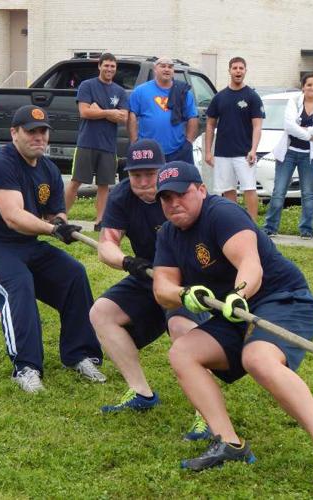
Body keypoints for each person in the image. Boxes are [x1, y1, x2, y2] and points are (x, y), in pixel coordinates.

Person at [151, 161, 313, 492]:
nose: (173, 203)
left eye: (181, 194)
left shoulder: (221, 214)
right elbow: (162, 287)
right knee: (183, 352)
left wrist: (239, 293)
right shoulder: (168, 234)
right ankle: (229, 443)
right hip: (234, 314)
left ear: (201, 191)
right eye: (165, 198)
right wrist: (184, 294)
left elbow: (249, 261)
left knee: (258, 358)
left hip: (282, 299)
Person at [0, 105, 104, 393]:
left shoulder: (48, 169)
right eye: (31, 132)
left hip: (25, 244)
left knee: (74, 274)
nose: (38, 137)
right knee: (19, 285)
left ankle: (80, 354)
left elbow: (55, 214)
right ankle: (25, 367)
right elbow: (13, 217)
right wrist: (53, 229)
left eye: (43, 132)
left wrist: (61, 223)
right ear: (14, 133)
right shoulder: (1, 164)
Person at [89, 139, 211, 438]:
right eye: (135, 175)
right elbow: (107, 244)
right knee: (101, 313)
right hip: (147, 273)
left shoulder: (179, 195)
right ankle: (141, 392)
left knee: (184, 332)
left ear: (163, 170)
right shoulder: (121, 196)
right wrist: (126, 262)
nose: (143, 182)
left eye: (150, 174)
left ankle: (207, 414)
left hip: (186, 280)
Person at [263, 73, 313, 238]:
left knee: (308, 193)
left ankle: (307, 229)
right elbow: (289, 126)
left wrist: (306, 129)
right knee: (279, 191)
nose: (312, 88)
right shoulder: (293, 102)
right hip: (288, 153)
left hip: (310, 156)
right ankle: (270, 227)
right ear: (303, 86)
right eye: (309, 85)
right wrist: (310, 135)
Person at [64, 52, 128, 231]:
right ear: (99, 66)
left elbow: (124, 117)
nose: (109, 69)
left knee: (104, 185)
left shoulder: (119, 91)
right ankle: (60, 216)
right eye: (106, 65)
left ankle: (100, 222)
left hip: (108, 146)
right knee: (76, 181)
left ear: (115, 69)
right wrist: (109, 113)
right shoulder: (87, 86)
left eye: (112, 66)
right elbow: (84, 112)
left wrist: (99, 110)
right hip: (87, 142)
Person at [203, 56, 264, 220]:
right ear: (229, 70)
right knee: (227, 190)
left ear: (245, 71)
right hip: (222, 153)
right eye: (235, 68)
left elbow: (258, 126)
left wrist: (253, 149)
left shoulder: (252, 96)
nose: (238, 71)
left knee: (249, 188)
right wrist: (208, 152)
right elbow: (210, 125)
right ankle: (234, 223)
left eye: (241, 68)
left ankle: (252, 225)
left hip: (244, 153)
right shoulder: (219, 97)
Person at [128, 56, 198, 164]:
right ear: (155, 69)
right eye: (163, 66)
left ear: (173, 71)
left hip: (178, 150)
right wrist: (134, 142)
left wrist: (188, 142)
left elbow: (192, 117)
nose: (167, 69)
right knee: (150, 181)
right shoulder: (141, 91)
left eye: (170, 67)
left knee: (179, 180)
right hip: (148, 150)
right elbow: (132, 115)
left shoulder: (183, 92)